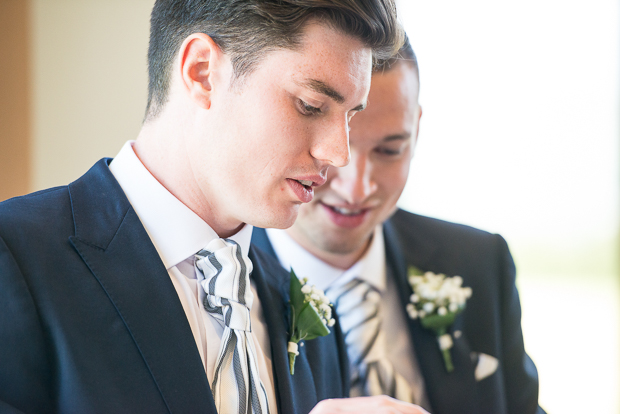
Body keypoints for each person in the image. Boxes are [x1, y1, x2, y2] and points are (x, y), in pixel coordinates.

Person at [0, 1, 429, 413]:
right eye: (311, 106)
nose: (339, 154)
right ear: (203, 72)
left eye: (349, 116)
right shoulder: (15, 260)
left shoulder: (308, 316)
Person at [252, 37, 546, 414]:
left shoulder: (479, 263)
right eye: (333, 148)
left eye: (389, 150)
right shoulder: (222, 284)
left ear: (416, 129)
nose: (357, 188)